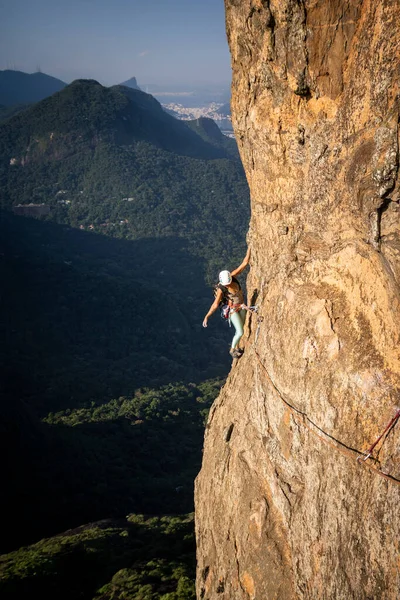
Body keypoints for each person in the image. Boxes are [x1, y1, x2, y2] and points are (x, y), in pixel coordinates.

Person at [202, 248, 251, 359]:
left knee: (242, 328)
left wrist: (250, 248)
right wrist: (207, 317)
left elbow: (244, 263)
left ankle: (237, 346)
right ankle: (232, 349)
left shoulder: (233, 277)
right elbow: (215, 304)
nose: (228, 285)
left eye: (228, 283)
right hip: (233, 310)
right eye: (226, 284)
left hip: (242, 306)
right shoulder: (221, 289)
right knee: (240, 331)